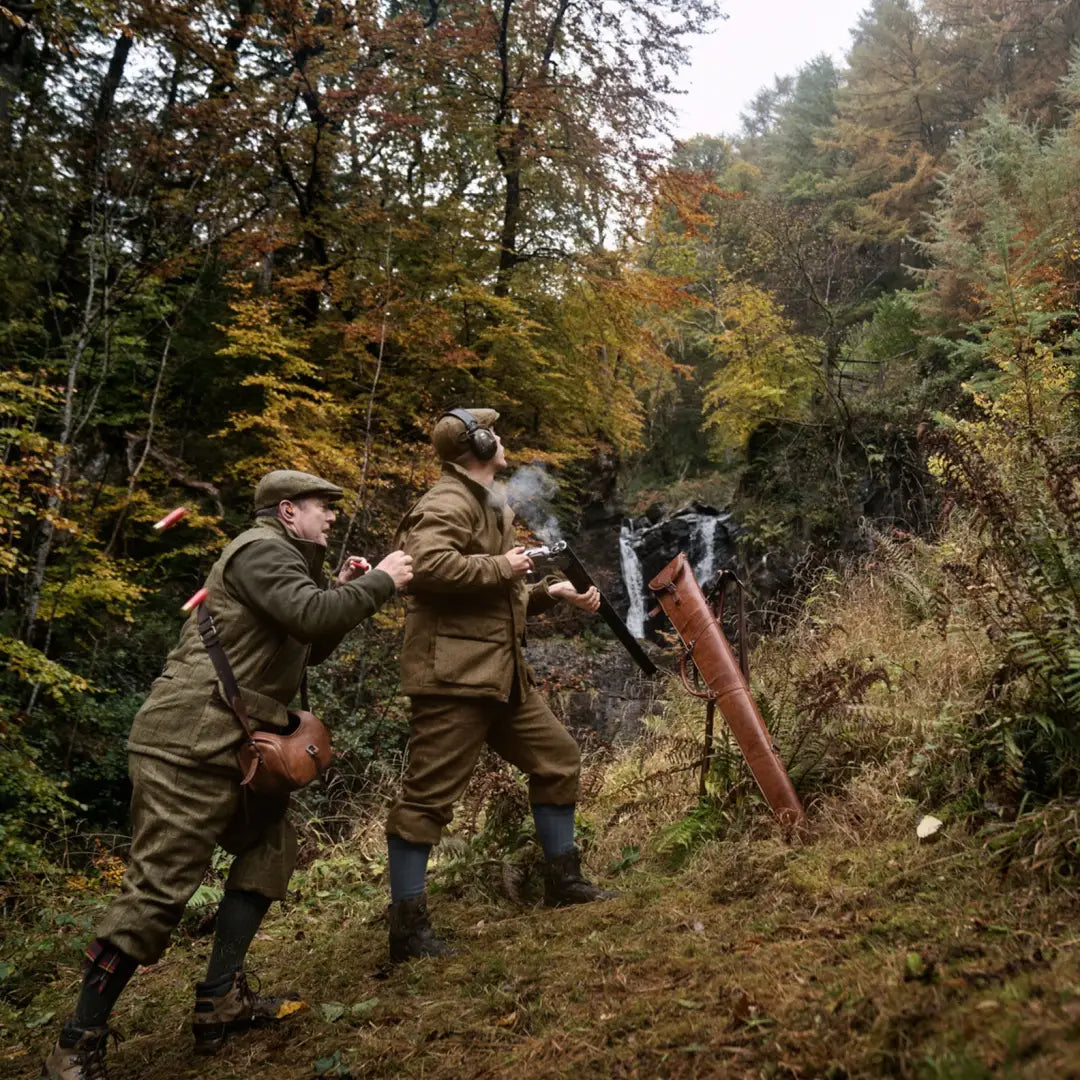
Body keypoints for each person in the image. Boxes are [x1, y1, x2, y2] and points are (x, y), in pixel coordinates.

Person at [43, 470, 413, 1080]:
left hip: (232, 745)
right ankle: (75, 1045)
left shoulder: (286, 560)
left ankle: (221, 1000)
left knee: (269, 848)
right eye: (323, 507)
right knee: (158, 890)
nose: (331, 517)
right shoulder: (260, 549)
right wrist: (379, 582)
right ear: (288, 510)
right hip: (187, 744)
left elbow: (308, 639)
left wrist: (345, 588)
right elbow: (310, 616)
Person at [384, 407, 617, 963]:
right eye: (497, 433)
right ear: (482, 444)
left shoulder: (490, 502)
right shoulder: (447, 501)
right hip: (455, 680)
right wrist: (505, 568)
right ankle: (408, 933)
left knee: (557, 759)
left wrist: (548, 592)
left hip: (500, 673)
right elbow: (426, 568)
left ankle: (563, 883)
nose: (506, 441)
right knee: (426, 800)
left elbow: (495, 595)